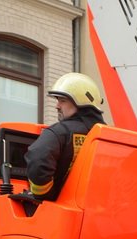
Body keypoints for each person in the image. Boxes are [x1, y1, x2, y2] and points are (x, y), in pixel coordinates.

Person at [24, 72, 106, 201]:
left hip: (63, 215)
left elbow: (38, 159)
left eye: (62, 100)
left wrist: (44, 195)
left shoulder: (60, 132)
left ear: (81, 102)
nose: (57, 106)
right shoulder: (112, 137)